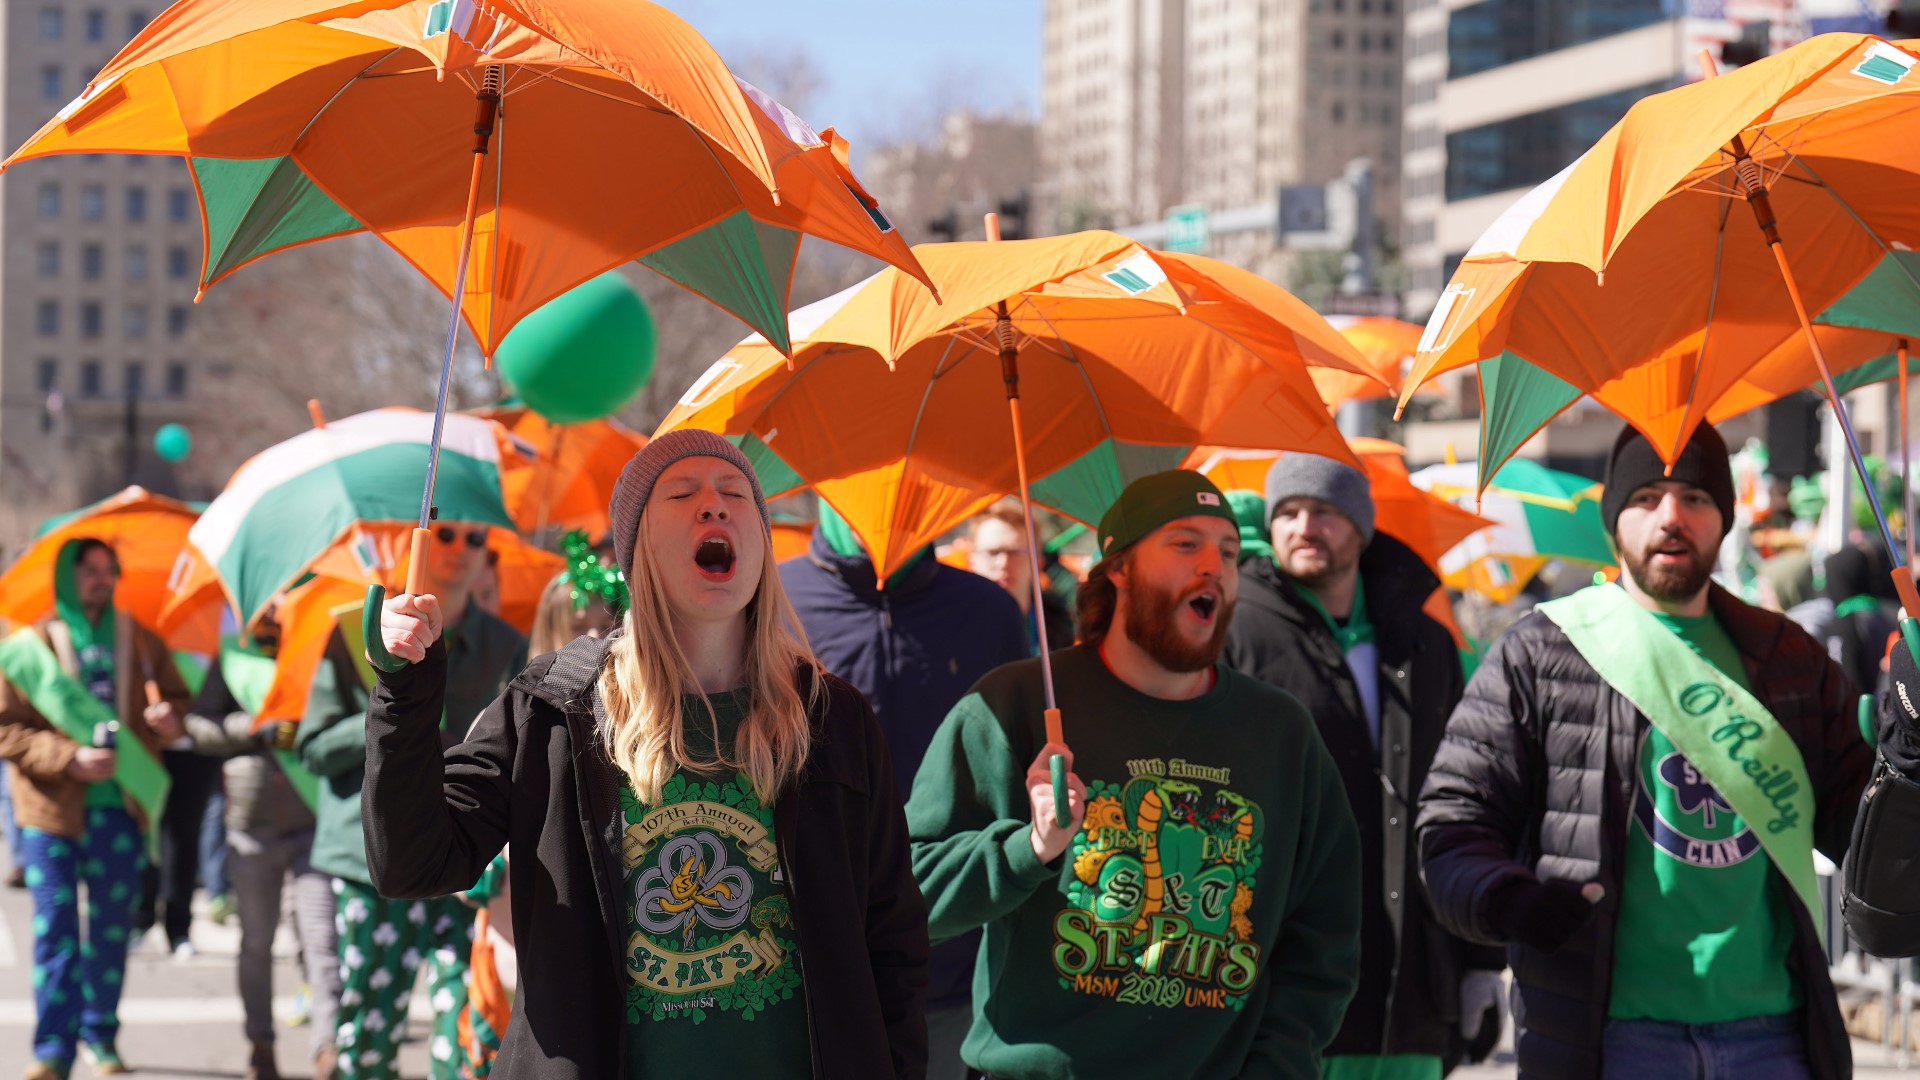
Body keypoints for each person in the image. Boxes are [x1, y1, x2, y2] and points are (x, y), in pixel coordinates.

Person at [360, 430, 929, 1078]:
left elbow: (894, 939)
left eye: (735, 494)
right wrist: (403, 691)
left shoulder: (832, 717)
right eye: (683, 494)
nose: (713, 506)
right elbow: (412, 862)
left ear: (761, 544)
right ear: (635, 550)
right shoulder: (552, 709)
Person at [1418, 423, 1872, 1080]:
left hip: (1774, 1035)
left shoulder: (1787, 657)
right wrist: (1510, 900)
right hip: (1613, 1040)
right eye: (1647, 497)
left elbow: (1871, 844)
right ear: (1615, 520)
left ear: (1723, 517)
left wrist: (1907, 752)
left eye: (1694, 497)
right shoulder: (1544, 652)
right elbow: (1452, 824)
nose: (1671, 517)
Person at [908, 469, 1361, 1079]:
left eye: (1228, 552)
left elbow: (1325, 940)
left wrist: (1276, 1066)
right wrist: (1028, 849)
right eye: (1185, 544)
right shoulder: (1013, 705)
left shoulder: (1283, 732)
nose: (1214, 567)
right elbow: (907, 898)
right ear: (1117, 568)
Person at [1224, 454, 1502, 1078]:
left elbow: (1466, 801)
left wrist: (1481, 959)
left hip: (1412, 988)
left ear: (1360, 524)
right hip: (1284, 987)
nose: (1303, 526)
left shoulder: (1425, 642)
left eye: (1323, 511)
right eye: (1288, 513)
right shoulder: (1235, 634)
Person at [780, 501, 1027, 1079]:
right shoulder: (772, 602)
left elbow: (1013, 777)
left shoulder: (989, 611)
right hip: (806, 964)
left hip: (956, 965)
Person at [297, 519, 525, 1080]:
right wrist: (395, 706)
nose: (462, 550)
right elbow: (314, 747)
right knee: (367, 1043)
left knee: (467, 1040)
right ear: (414, 545)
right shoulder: (356, 634)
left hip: (471, 870)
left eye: (477, 539)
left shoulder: (506, 644)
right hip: (372, 863)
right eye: (446, 534)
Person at [0, 537, 191, 1079]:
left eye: (110, 570)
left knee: (111, 931)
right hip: (50, 815)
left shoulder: (139, 641)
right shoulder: (27, 647)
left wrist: (167, 719)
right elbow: (5, 729)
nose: (101, 579)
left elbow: (176, 700)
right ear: (65, 575)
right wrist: (68, 757)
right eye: (89, 570)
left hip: (120, 811)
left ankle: (100, 1036)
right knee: (55, 932)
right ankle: (52, 1051)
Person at [185, 611, 341, 1080]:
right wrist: (251, 727)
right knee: (257, 943)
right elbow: (199, 725)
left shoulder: (317, 653)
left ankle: (327, 1047)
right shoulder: (234, 657)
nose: (276, 609)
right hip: (250, 828)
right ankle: (260, 1045)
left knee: (322, 938)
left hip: (312, 821)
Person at [967, 499, 1076, 654]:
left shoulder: (1061, 623)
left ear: (1038, 563)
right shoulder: (954, 626)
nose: (1003, 563)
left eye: (1015, 553)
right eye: (992, 553)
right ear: (972, 560)